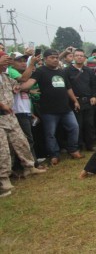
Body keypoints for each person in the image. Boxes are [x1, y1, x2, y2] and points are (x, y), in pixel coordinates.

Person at [21, 49, 84, 165]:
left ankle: (73, 150)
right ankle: (54, 155)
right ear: (45, 59)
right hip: (48, 110)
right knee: (50, 134)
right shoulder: (40, 71)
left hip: (65, 108)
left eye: (56, 57)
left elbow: (68, 88)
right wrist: (20, 87)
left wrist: (75, 101)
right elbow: (29, 82)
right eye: (52, 58)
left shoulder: (61, 72)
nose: (55, 59)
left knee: (74, 127)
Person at [0, 52, 45, 197]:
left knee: (22, 142)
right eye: (3, 60)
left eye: (7, 60)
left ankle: (29, 167)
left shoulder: (5, 77)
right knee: (3, 151)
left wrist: (31, 64)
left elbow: (23, 81)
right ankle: (3, 180)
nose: (6, 63)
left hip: (10, 117)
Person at [64, 49, 96, 151]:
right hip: (75, 102)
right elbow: (66, 87)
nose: (79, 57)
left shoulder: (89, 71)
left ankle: (90, 145)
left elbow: (94, 85)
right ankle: (78, 146)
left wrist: (94, 96)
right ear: (74, 57)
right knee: (77, 125)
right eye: (77, 55)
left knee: (89, 124)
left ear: (84, 58)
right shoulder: (67, 71)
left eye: (81, 56)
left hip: (88, 101)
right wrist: (74, 100)